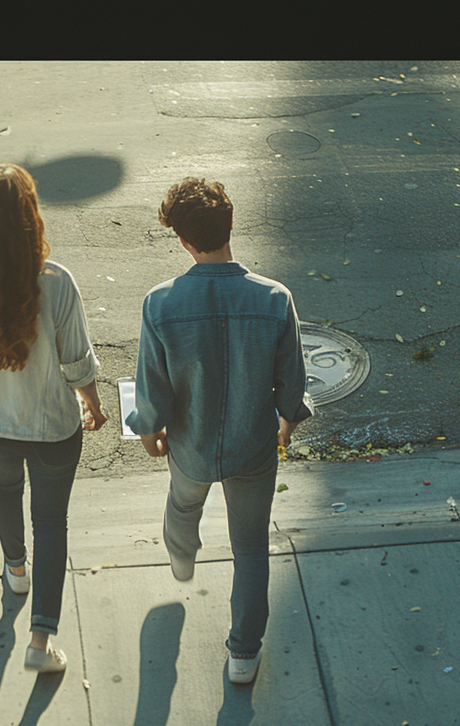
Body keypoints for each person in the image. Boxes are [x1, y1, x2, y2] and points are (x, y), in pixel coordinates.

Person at [126, 177, 313, 684]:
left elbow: (152, 381)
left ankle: (182, 553)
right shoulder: (275, 299)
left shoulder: (160, 303)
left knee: (184, 502)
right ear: (232, 225)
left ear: (183, 240)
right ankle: (244, 655)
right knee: (250, 547)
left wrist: (148, 428)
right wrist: (288, 421)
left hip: (191, 442)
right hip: (253, 445)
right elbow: (292, 380)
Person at [0, 164, 109, 674]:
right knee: (51, 521)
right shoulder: (55, 281)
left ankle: (15, 569)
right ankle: (40, 640)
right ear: (30, 218)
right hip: (53, 426)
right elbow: (77, 359)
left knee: (5, 491)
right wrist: (93, 405)